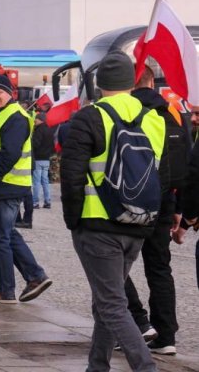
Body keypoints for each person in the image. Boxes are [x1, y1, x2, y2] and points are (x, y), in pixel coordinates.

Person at [60, 53, 168, 372]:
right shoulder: (154, 118)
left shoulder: (89, 117)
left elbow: (72, 174)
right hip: (138, 222)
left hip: (98, 225)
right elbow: (163, 172)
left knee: (111, 304)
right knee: (108, 302)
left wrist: (73, 220)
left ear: (99, 84)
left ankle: (145, 366)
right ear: (131, 82)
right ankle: (97, 366)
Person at [123, 64, 185, 356]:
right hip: (163, 202)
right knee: (159, 267)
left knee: (113, 267)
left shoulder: (128, 114)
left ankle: (137, 323)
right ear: (152, 82)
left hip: (132, 202)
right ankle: (166, 336)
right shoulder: (173, 115)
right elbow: (179, 166)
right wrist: (177, 206)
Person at [0, 74, 51, 303]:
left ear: (10, 94)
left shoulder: (14, 117)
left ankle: (5, 289)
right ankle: (34, 276)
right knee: (6, 233)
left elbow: (11, 152)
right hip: (6, 184)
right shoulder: (1, 116)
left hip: (6, 184)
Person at [32, 112, 55, 210]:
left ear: (40, 119)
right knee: (45, 181)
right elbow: (53, 146)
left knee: (36, 181)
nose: (34, 121)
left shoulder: (38, 130)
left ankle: (35, 202)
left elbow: (35, 144)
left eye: (36, 119)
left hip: (38, 158)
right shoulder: (49, 130)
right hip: (46, 159)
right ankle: (47, 201)